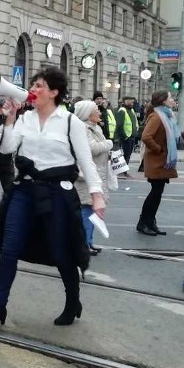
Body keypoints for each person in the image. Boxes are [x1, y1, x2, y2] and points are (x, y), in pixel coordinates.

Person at [0, 66, 104, 333]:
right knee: (9, 249)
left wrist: (97, 194)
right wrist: (10, 120)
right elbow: (7, 149)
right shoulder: (25, 119)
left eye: (39, 86)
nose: (33, 90)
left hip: (57, 193)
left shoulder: (70, 121)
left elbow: (86, 161)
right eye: (33, 85)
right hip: (24, 190)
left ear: (54, 92)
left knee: (61, 252)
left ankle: (73, 300)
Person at [137, 91, 180, 236]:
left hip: (162, 161)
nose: (173, 100)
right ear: (163, 101)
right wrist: (159, 149)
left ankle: (150, 222)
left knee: (157, 193)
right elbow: (146, 137)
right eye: (170, 98)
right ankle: (143, 223)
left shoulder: (166, 115)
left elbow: (172, 137)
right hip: (157, 160)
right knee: (155, 193)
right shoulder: (157, 116)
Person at [73, 100, 112, 255]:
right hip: (86, 176)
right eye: (96, 110)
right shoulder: (84, 128)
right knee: (87, 210)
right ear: (88, 114)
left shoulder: (95, 127)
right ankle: (83, 243)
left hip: (96, 173)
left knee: (92, 211)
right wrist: (108, 144)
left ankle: (88, 241)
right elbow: (92, 148)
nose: (99, 112)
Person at [115, 96, 139, 169]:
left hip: (132, 136)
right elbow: (119, 125)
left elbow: (135, 122)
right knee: (126, 154)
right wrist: (124, 136)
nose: (132, 103)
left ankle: (125, 170)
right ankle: (123, 170)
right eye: (130, 101)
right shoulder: (122, 110)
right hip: (126, 137)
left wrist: (136, 132)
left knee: (128, 154)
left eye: (132, 101)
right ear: (125, 101)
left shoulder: (131, 110)